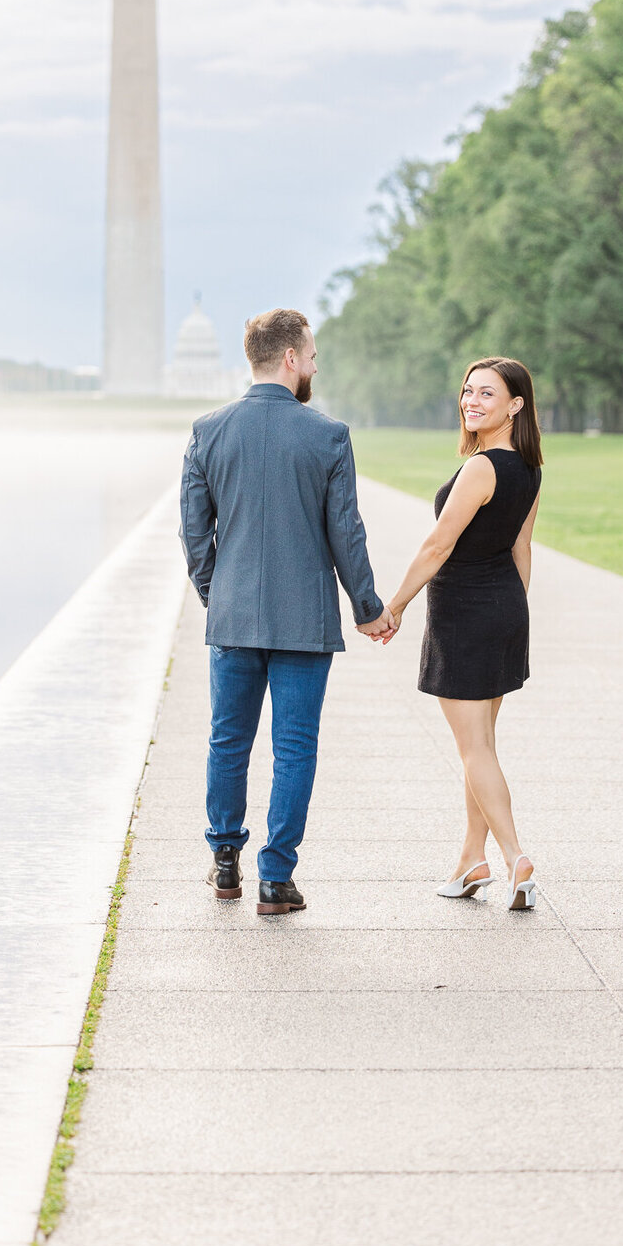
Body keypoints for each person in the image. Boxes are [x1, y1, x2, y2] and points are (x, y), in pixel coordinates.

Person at [179, 307, 393, 915]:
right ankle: (276, 875)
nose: (316, 366)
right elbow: (345, 533)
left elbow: (194, 534)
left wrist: (214, 593)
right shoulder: (327, 435)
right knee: (294, 748)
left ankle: (224, 861)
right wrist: (368, 607)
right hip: (304, 619)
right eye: (314, 356)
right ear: (291, 358)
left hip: (234, 616)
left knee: (228, 742)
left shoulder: (207, 430)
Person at [380, 356, 543, 911]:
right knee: (482, 748)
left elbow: (437, 546)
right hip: (502, 609)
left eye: (487, 395)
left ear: (514, 405)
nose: (472, 402)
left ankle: (516, 856)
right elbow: (522, 549)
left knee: (474, 749)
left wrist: (394, 605)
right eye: (468, 392)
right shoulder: (530, 468)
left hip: (465, 615)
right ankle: (472, 858)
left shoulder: (482, 468)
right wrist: (513, 614)